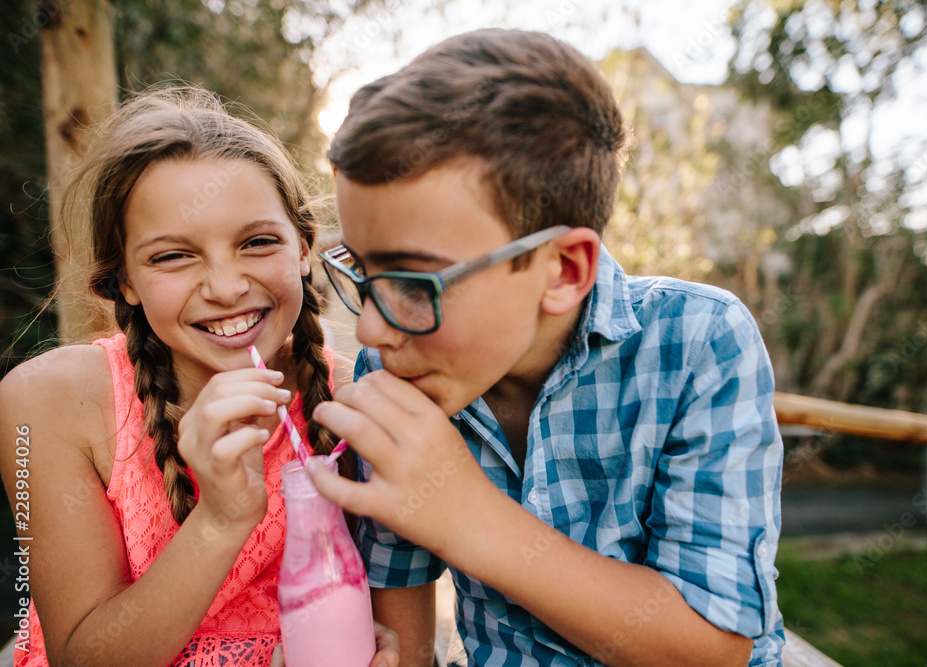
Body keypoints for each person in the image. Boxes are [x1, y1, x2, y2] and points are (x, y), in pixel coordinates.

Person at [307, 29, 784, 667]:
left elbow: (710, 647)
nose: (369, 329)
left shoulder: (699, 342)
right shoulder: (397, 370)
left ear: (561, 270)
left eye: (415, 285)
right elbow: (407, 630)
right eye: (361, 272)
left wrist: (466, 514)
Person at [0, 86, 398, 667]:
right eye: (173, 256)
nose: (226, 286)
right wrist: (222, 517)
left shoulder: (355, 404)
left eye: (258, 242)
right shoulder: (46, 403)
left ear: (304, 248)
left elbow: (400, 636)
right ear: (125, 281)